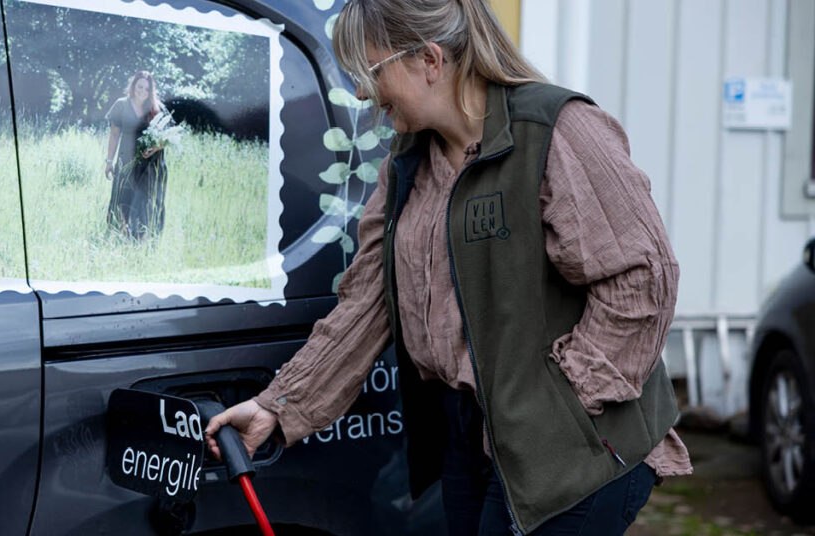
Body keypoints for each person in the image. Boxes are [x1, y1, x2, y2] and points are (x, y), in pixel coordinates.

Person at [205, 0, 692, 534]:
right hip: (469, 438)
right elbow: (367, 304)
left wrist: (560, 402)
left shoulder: (557, 130)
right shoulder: (408, 162)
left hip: (572, 446)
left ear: (430, 60)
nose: (364, 94)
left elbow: (642, 280)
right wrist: (279, 406)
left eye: (371, 74)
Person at [105, 70, 168, 241]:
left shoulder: (157, 108)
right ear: (133, 86)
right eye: (140, 87)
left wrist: (154, 149)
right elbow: (114, 134)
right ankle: (122, 236)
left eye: (147, 89)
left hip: (150, 165)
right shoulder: (121, 105)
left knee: (145, 201)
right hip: (126, 161)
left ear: (151, 91)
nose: (142, 91)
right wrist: (109, 161)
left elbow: (167, 139)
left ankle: (143, 239)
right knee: (123, 198)